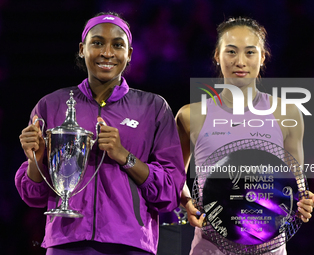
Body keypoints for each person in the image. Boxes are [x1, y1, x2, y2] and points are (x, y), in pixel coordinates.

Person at [15, 11, 186, 255]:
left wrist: (123, 156)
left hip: (129, 245)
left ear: (129, 54)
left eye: (117, 45)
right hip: (66, 242)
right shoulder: (51, 105)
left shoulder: (154, 108)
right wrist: (36, 159)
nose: (107, 53)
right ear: (82, 49)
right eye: (97, 43)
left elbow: (170, 192)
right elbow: (34, 196)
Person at [176, 17, 314, 255]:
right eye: (231, 51)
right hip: (209, 247)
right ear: (217, 56)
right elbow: (174, 176)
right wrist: (186, 202)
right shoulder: (190, 115)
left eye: (250, 52)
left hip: (269, 248)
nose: (240, 61)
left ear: (262, 57)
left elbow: (295, 183)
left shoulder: (287, 113)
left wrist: (304, 201)